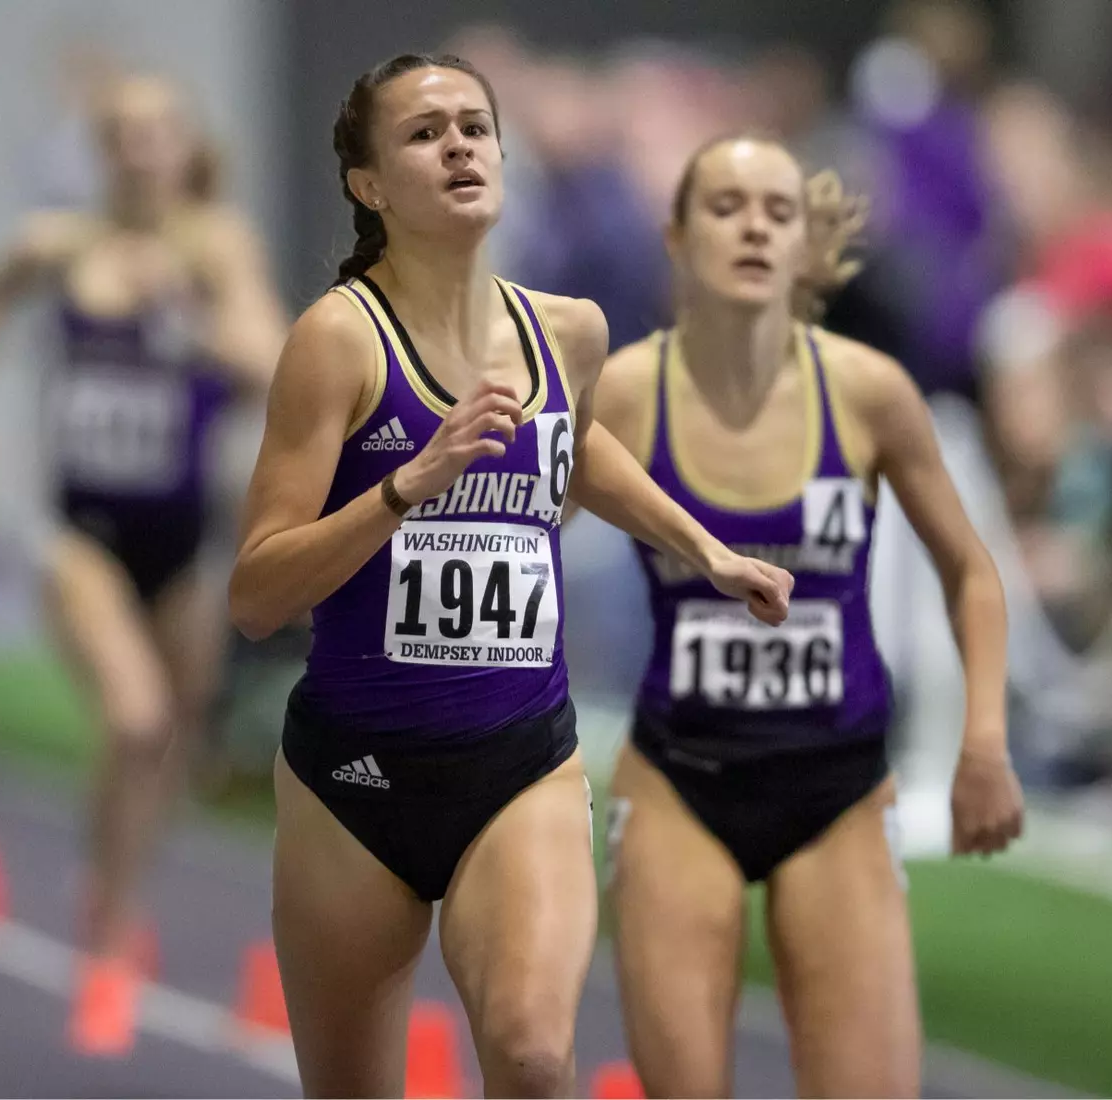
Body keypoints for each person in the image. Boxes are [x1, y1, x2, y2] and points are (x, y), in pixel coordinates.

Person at [225, 53, 794, 1098]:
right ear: (370, 184)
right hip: (355, 779)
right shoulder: (337, 341)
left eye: (476, 127)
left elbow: (577, 448)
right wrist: (409, 484)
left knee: (535, 1056)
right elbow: (258, 593)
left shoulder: (566, 328)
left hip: (519, 764)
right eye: (425, 133)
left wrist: (702, 544)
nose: (460, 147)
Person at [587, 136, 1025, 1097]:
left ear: (804, 244)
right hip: (679, 780)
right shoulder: (624, 392)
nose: (752, 227)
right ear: (676, 235)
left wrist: (983, 744)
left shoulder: (868, 393)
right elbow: (513, 533)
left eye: (777, 212)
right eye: (726, 206)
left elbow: (970, 571)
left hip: (836, 787)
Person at [0, 73, 287, 1050]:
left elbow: (275, 359)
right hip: (80, 531)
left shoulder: (215, 248)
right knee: (134, 720)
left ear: (183, 146)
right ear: (102, 149)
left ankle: (112, 874)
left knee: (174, 743)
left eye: (156, 134)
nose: (139, 150)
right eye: (122, 135)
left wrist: (192, 316)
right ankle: (110, 932)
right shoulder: (60, 245)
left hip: (182, 541)